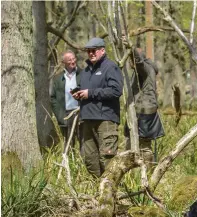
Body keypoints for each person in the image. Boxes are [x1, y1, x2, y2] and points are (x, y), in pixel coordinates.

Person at [72, 37, 123, 177]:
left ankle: (111, 192)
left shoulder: (110, 67)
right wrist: (79, 93)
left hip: (105, 119)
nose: (91, 53)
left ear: (102, 50)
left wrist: (91, 93)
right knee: (89, 159)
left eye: (94, 50)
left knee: (107, 158)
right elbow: (86, 89)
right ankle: (98, 189)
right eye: (88, 51)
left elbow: (116, 91)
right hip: (87, 119)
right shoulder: (86, 70)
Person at [123, 46, 165, 163]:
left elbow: (139, 62)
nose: (130, 62)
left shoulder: (144, 68)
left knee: (143, 146)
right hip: (144, 110)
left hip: (143, 112)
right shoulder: (147, 68)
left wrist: (131, 49)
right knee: (139, 144)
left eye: (131, 59)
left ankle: (145, 171)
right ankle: (143, 170)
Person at [50, 50, 81, 149]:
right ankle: (69, 163)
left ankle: (84, 163)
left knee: (84, 143)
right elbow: (52, 97)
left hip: (81, 114)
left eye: (73, 58)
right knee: (68, 145)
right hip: (66, 115)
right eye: (69, 60)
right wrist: (59, 115)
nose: (73, 61)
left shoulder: (84, 74)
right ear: (64, 63)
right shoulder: (58, 78)